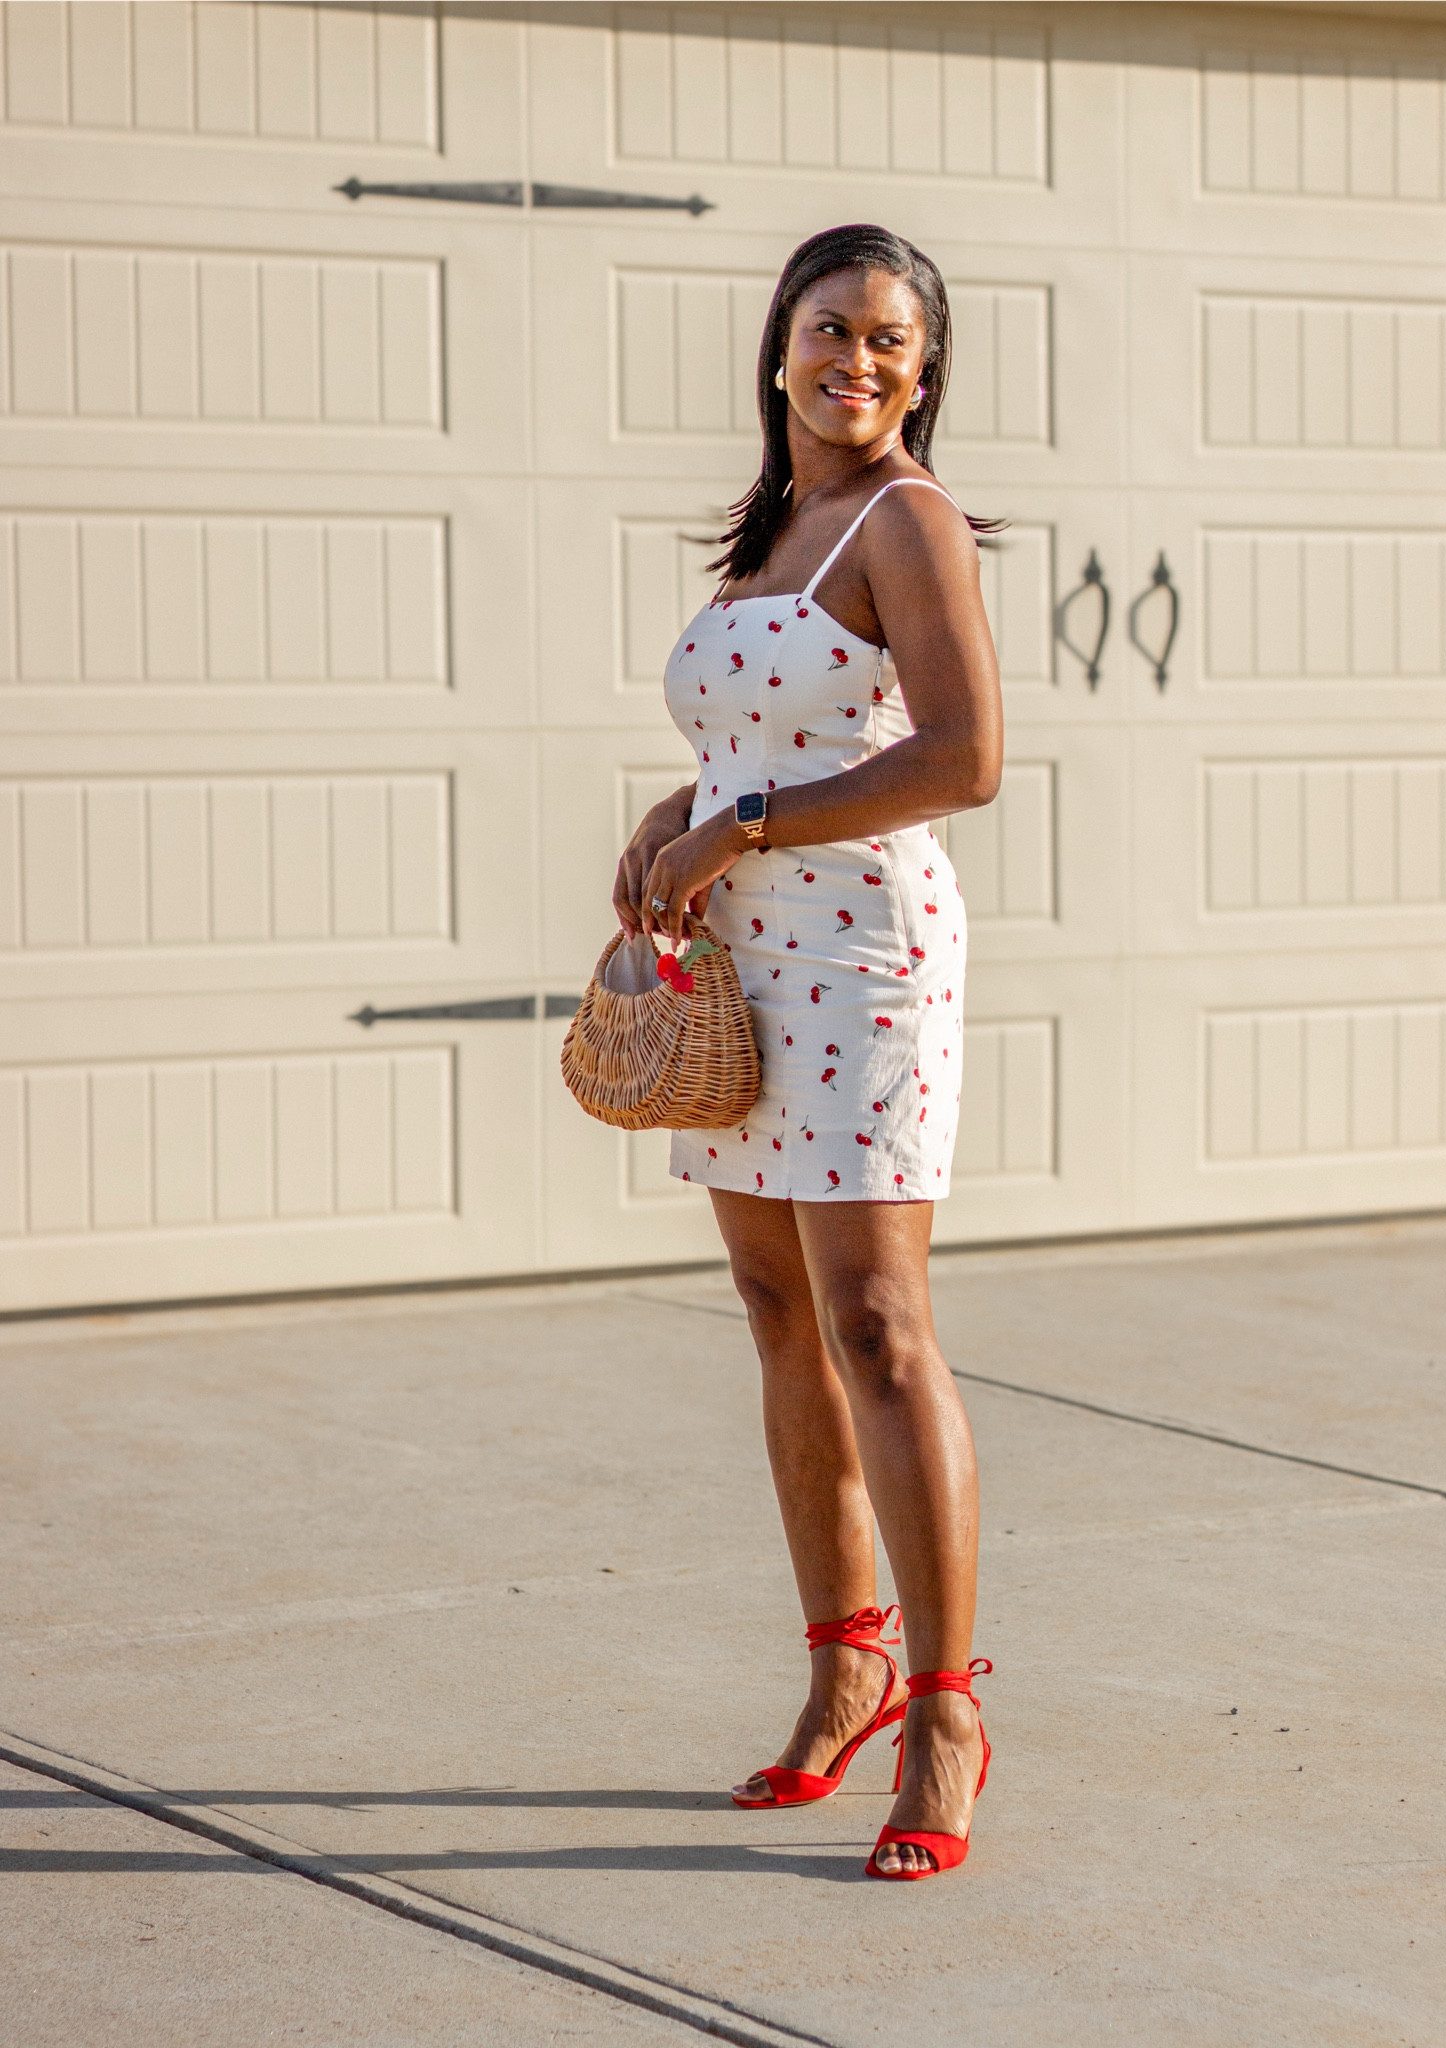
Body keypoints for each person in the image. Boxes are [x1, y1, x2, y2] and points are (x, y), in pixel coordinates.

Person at [612, 224, 1003, 1881]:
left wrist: (749, 818)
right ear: (778, 345)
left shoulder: (905, 521)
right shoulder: (777, 528)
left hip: (863, 956)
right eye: (834, 329)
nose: (862, 360)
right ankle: (838, 1662)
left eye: (895, 341)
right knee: (776, 1312)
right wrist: (678, 819)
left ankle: (942, 1708)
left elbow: (965, 757)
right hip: (748, 951)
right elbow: (763, 735)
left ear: (923, 371)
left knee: (875, 1324)